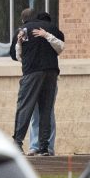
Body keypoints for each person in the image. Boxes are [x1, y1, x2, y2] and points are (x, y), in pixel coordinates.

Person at [10, 8, 65, 155]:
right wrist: (47, 36)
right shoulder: (52, 27)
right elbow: (61, 47)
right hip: (51, 72)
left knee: (24, 108)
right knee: (46, 110)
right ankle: (44, 147)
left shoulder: (22, 30)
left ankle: (17, 143)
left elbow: (17, 56)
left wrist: (20, 44)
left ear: (23, 19)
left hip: (32, 72)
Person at [28, 12, 60, 155]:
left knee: (46, 113)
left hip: (48, 78)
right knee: (37, 113)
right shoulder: (33, 36)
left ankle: (47, 146)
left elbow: (60, 47)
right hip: (36, 78)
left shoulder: (51, 36)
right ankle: (36, 145)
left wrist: (47, 35)